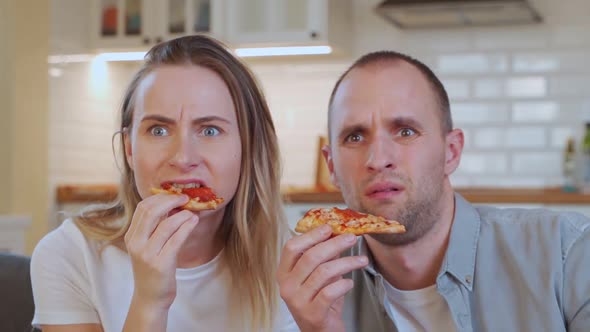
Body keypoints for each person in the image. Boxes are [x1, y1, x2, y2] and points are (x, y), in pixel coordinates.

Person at [277, 50, 590, 332]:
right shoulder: (307, 288)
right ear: (331, 166)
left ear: (451, 152)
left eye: (406, 131)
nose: (378, 160)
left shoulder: (569, 253)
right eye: (355, 137)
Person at [31, 35, 299, 332]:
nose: (183, 158)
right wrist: (149, 302)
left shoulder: (287, 263)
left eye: (210, 130)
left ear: (249, 148)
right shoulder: (70, 254)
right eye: (158, 130)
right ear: (129, 149)